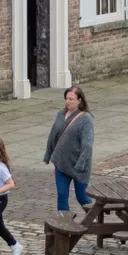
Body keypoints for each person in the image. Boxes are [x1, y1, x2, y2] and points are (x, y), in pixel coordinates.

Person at [43, 85, 94, 213]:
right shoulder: (60, 114)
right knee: (62, 196)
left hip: (79, 166)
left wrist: (80, 164)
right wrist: (48, 155)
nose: (68, 101)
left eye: (71, 99)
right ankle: (63, 224)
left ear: (79, 101)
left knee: (82, 197)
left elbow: (87, 145)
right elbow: (52, 135)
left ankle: (95, 217)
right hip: (61, 163)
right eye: (66, 98)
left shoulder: (86, 119)